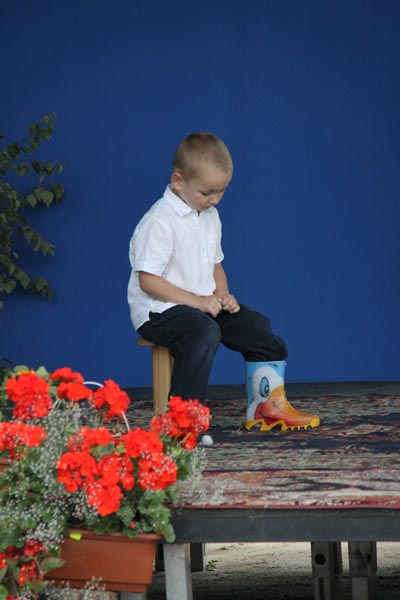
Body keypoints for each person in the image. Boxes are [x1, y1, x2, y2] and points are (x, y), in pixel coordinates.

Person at [127, 132, 319, 431]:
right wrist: (199, 302)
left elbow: (215, 265)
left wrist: (223, 294)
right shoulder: (159, 221)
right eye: (207, 192)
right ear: (178, 181)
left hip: (202, 306)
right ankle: (181, 421)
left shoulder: (210, 216)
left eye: (222, 191)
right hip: (159, 311)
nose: (215, 199)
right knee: (204, 331)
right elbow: (148, 281)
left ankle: (266, 408)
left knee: (256, 327)